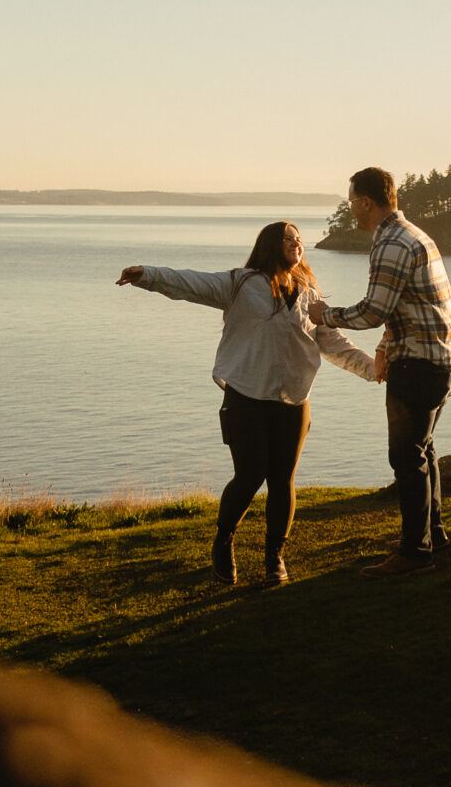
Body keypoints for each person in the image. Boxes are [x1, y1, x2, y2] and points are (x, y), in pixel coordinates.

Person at [116, 221, 377, 586]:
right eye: (288, 238)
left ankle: (275, 558)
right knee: (251, 474)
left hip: (293, 403)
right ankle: (224, 541)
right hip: (245, 399)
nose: (296, 244)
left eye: (299, 239)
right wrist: (147, 275)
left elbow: (335, 345)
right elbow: (192, 282)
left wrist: (374, 369)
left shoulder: (309, 296)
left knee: (282, 480)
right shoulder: (241, 284)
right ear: (271, 244)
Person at [311, 166, 451, 576]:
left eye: (352, 202)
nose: (350, 211)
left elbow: (374, 312)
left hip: (419, 363)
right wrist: (385, 346)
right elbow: (412, 307)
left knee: (405, 454)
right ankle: (434, 536)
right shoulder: (415, 234)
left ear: (366, 202)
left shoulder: (391, 243)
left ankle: (415, 554)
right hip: (446, 359)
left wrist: (323, 315)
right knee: (423, 447)